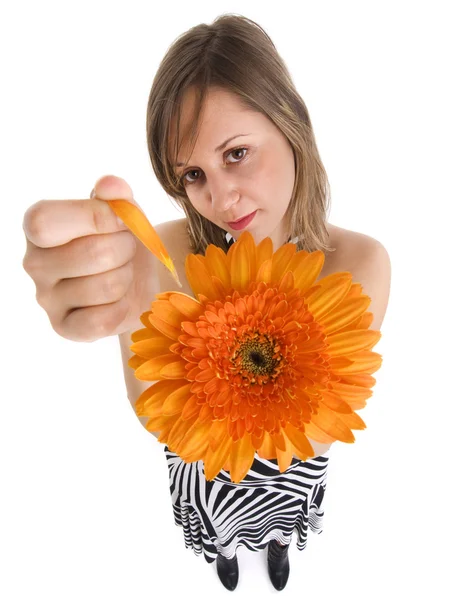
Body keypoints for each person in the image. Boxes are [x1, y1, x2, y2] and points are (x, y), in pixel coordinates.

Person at [21, 13, 391, 592]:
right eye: (192, 173)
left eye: (237, 154)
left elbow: (312, 438)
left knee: (278, 518)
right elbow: (157, 421)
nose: (219, 197)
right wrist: (127, 314)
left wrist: (206, 357)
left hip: (290, 469)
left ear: (292, 125)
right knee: (217, 521)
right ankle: (222, 548)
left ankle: (275, 545)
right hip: (201, 469)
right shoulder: (159, 255)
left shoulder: (361, 262)